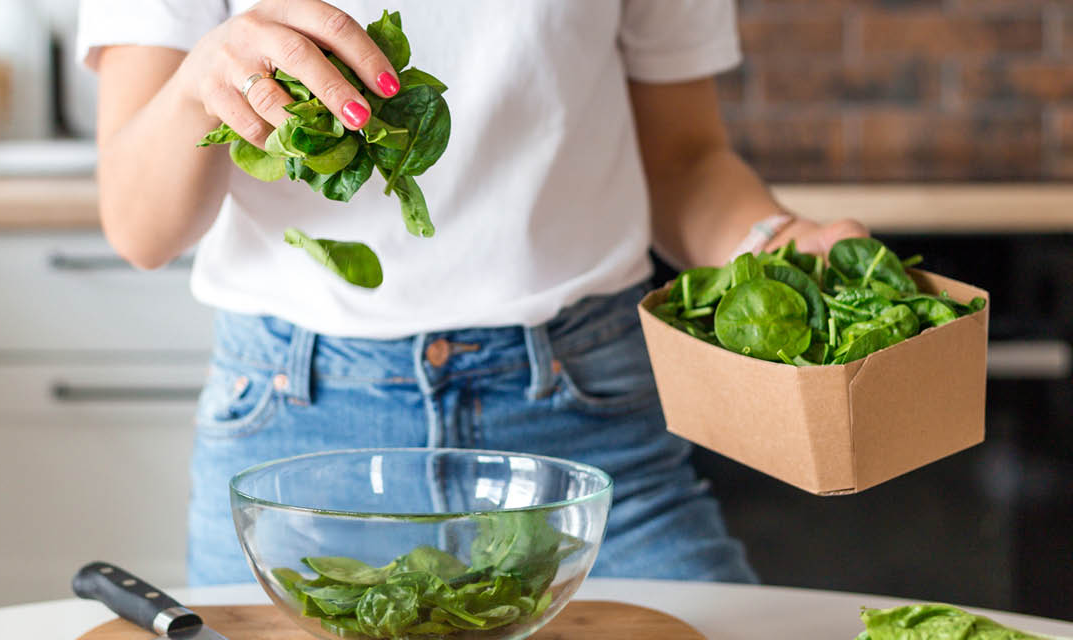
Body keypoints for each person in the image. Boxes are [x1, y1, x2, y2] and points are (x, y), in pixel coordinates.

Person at [77, 0, 867, 587]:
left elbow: (685, 160)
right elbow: (140, 226)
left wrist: (773, 242)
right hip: (299, 441)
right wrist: (196, 85)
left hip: (586, 422)